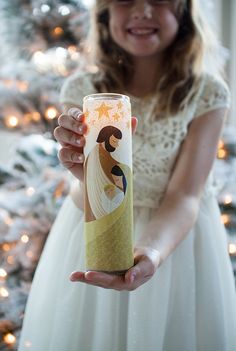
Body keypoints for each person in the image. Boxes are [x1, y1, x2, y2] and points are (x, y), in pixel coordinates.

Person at [18, 1, 236, 350]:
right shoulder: (81, 92)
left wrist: (151, 251)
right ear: (104, 15)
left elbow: (185, 195)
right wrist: (84, 178)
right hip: (95, 230)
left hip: (174, 243)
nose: (142, 11)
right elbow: (85, 191)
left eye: (158, 1)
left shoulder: (206, 93)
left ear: (182, 13)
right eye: (126, 0)